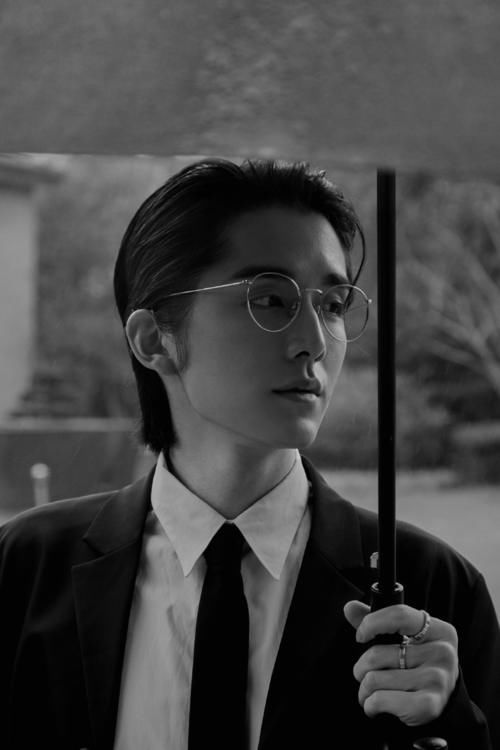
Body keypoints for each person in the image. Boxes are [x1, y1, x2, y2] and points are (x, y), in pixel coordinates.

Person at [1, 158, 499, 750]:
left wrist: (452, 727)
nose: (315, 342)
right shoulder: (25, 572)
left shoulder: (428, 591)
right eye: (269, 299)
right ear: (154, 338)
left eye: (333, 304)